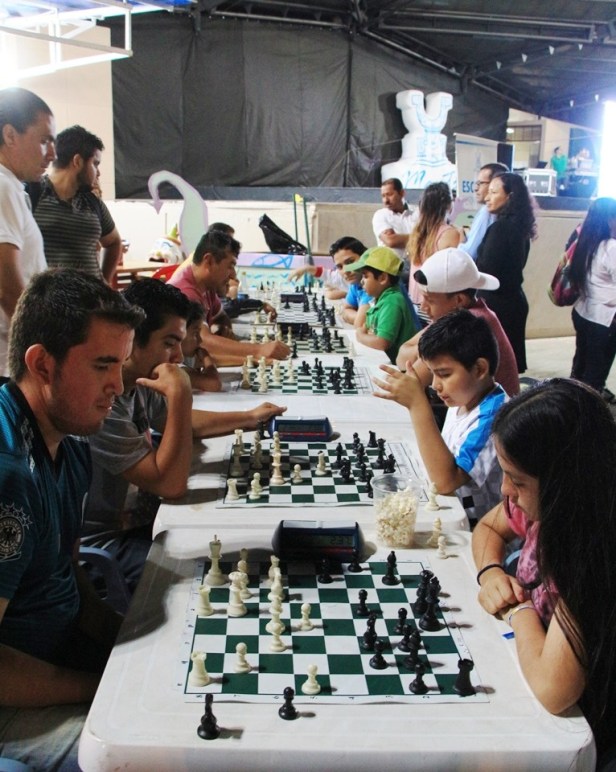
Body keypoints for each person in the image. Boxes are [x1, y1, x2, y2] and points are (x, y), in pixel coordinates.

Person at [0, 269, 144, 769]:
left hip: (58, 661)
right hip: (13, 703)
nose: (118, 387)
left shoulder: (73, 446)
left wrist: (128, 643)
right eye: (104, 366)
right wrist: (100, 685)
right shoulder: (9, 473)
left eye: (122, 366)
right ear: (41, 364)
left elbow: (68, 571)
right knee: (153, 753)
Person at [82, 278, 286, 591]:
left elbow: (185, 422)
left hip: (139, 522)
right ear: (133, 340)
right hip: (107, 548)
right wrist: (180, 393)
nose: (178, 356)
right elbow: (171, 484)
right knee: (222, 578)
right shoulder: (103, 403)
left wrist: (247, 418)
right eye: (168, 342)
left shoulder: (137, 381)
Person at [471, 378, 616, 766]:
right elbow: (487, 527)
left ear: (564, 482)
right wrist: (491, 573)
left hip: (587, 727)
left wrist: (518, 612)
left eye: (517, 480)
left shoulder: (592, 551)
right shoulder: (541, 507)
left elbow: (554, 691)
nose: (505, 491)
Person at [374, 309, 506, 525]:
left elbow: (446, 481)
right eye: (432, 373)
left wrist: (418, 405)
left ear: (480, 368)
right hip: (451, 512)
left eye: (444, 374)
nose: (435, 385)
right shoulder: (465, 396)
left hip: (475, 529)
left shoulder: (494, 418)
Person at [396, 248, 520, 397]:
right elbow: (402, 357)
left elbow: (412, 382)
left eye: (430, 300)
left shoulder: (468, 325)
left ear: (459, 300)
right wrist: (422, 351)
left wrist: (420, 351)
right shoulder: (462, 312)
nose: (423, 306)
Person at [168, 229, 290, 365]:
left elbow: (221, 317)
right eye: (230, 266)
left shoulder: (206, 286)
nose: (233, 275)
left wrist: (220, 328)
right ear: (208, 261)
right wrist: (259, 350)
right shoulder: (186, 292)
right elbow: (204, 342)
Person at [0, 87, 55, 376]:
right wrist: (45, 347)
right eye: (44, 141)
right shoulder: (3, 186)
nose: (52, 154)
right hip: (8, 360)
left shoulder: (12, 187)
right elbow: (7, 284)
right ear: (10, 135)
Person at [31, 125, 123, 283]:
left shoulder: (92, 202)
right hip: (47, 303)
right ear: (77, 161)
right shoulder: (33, 195)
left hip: (91, 304)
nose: (98, 172)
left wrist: (105, 284)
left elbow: (114, 242)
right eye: (95, 164)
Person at [476, 172, 537, 373]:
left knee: (496, 369)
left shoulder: (501, 228)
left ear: (510, 196)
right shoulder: (519, 227)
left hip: (499, 305)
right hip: (512, 303)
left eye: (493, 192)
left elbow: (486, 271)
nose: (487, 197)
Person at [568, 197, 616, 401]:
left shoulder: (584, 241)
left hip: (583, 312)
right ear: (610, 219)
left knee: (580, 365)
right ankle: (587, 418)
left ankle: (570, 402)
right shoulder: (611, 247)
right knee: (595, 374)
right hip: (604, 319)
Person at [343, 246, 418, 364]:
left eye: (365, 276)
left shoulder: (392, 301)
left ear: (382, 278)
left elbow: (381, 342)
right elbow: (367, 327)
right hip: (383, 360)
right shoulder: (381, 299)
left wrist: (361, 336)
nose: (362, 281)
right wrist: (363, 332)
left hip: (397, 368)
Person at [407, 182, 460, 310]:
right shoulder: (450, 234)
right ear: (448, 205)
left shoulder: (416, 233)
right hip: (434, 304)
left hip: (413, 302)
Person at [459, 162, 508, 260]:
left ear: (494, 184)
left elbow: (468, 254)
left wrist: (461, 240)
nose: (476, 188)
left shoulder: (487, 212)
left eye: (480, 183)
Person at [288, 236, 358, 301]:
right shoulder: (341, 276)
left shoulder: (367, 281)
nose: (346, 270)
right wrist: (306, 268)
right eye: (339, 267)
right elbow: (326, 274)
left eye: (350, 262)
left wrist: (345, 294)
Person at [181, 301, 223, 392]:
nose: (200, 340)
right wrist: (207, 360)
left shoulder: (188, 355)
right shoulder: (172, 364)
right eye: (195, 333)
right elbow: (213, 384)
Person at [372, 177, 418, 260]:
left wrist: (399, 238)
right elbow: (391, 241)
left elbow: (430, 237)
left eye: (389, 195)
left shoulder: (418, 212)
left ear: (402, 193)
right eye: (383, 196)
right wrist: (419, 237)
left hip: (416, 264)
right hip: (392, 269)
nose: (386, 200)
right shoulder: (380, 215)